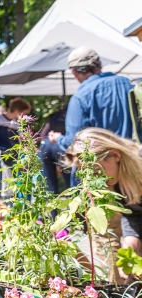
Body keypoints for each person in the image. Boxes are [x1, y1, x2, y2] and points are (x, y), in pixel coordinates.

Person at [65, 127, 142, 282]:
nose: (95, 181)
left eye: (96, 172)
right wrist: (127, 253)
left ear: (116, 155)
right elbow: (134, 217)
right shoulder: (117, 182)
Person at [48, 47, 134, 155]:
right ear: (100, 64)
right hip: (136, 157)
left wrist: (58, 139)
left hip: (105, 162)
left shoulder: (80, 98)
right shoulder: (131, 83)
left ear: (73, 72)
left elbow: (74, 143)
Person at [0, 97, 32, 197]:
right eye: (23, 113)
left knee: (11, 183)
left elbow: (19, 142)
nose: (23, 116)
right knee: (0, 179)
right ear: (16, 111)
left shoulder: (17, 124)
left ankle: (9, 202)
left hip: (13, 156)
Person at [39, 109, 69, 194]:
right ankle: (74, 198)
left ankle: (51, 200)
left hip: (46, 146)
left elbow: (42, 135)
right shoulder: (70, 118)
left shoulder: (53, 118)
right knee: (69, 176)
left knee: (48, 178)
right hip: (61, 146)